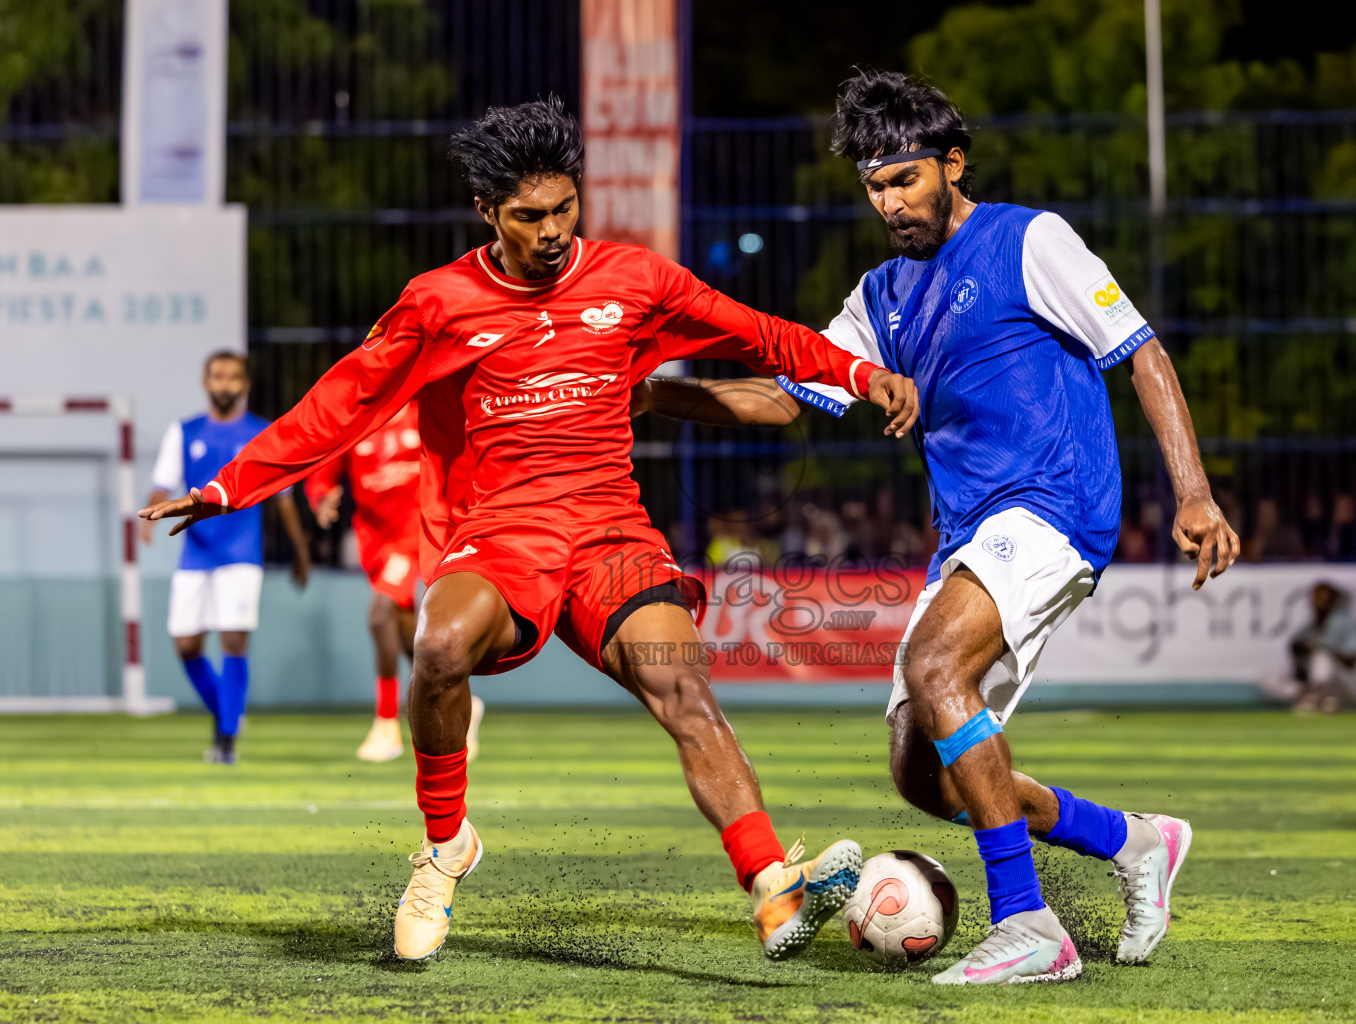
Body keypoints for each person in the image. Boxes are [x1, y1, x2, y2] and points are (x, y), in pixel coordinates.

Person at [139, 97, 919, 964]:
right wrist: (230, 485)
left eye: (564, 208)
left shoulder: (633, 279)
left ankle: (771, 880)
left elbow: (758, 335)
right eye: (528, 215)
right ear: (487, 212)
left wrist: (859, 373)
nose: (551, 231)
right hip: (504, 532)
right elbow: (342, 401)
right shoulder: (439, 302)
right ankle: (445, 846)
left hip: (612, 533)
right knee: (439, 645)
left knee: (683, 685)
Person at [632, 71, 1240, 985]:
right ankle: (1132, 841)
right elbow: (783, 399)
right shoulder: (878, 297)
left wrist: (1193, 493)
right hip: (970, 532)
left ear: (953, 164)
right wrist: (653, 395)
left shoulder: (1028, 240)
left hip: (1056, 500)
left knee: (934, 667)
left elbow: (1142, 351)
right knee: (922, 775)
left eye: (905, 179)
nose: (890, 202)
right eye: (875, 186)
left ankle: (1028, 923)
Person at [141, 351, 312, 764]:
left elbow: (283, 497)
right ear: (205, 382)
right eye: (217, 376)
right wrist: (149, 517)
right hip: (196, 552)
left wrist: (300, 548)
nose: (225, 384)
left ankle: (226, 738)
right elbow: (163, 483)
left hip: (240, 553)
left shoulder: (261, 433)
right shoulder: (184, 432)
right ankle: (228, 712)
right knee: (186, 645)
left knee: (233, 640)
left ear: (244, 385)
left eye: (233, 377)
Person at [305, 403, 485, 762]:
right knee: (402, 627)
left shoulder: (425, 410)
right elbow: (324, 469)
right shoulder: (356, 419)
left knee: (379, 613)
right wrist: (321, 497)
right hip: (374, 539)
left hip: (413, 530)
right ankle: (459, 696)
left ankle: (387, 724)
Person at [1285, 582, 1356, 713]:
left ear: (1334, 601)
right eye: (1316, 598)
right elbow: (1295, 646)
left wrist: (1325, 649)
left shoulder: (1343, 623)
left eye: (1324, 598)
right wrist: (1306, 650)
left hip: (1343, 682)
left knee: (1321, 657)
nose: (1319, 602)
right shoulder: (1311, 626)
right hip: (1312, 681)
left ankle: (1318, 698)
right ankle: (1313, 697)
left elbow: (1352, 662)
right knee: (1273, 679)